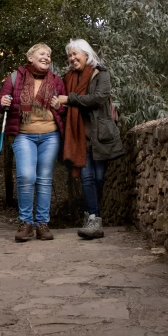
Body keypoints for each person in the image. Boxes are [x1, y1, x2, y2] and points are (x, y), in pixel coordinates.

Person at [51, 39, 123, 240]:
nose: (72, 59)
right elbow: (67, 108)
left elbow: (99, 98)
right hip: (79, 136)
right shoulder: (69, 77)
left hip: (100, 135)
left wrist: (69, 99)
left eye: (76, 54)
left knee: (99, 178)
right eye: (70, 56)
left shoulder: (101, 73)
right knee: (87, 178)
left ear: (86, 54)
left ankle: (90, 214)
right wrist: (60, 107)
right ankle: (94, 218)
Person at [0, 43, 66, 242]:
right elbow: (0, 102)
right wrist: (3, 102)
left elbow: (63, 110)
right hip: (23, 135)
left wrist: (59, 106)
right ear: (31, 57)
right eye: (42, 54)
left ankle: (42, 224)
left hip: (50, 135)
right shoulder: (15, 77)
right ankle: (25, 223)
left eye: (49, 55)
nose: (47, 57)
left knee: (44, 179)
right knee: (26, 176)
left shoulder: (57, 81)